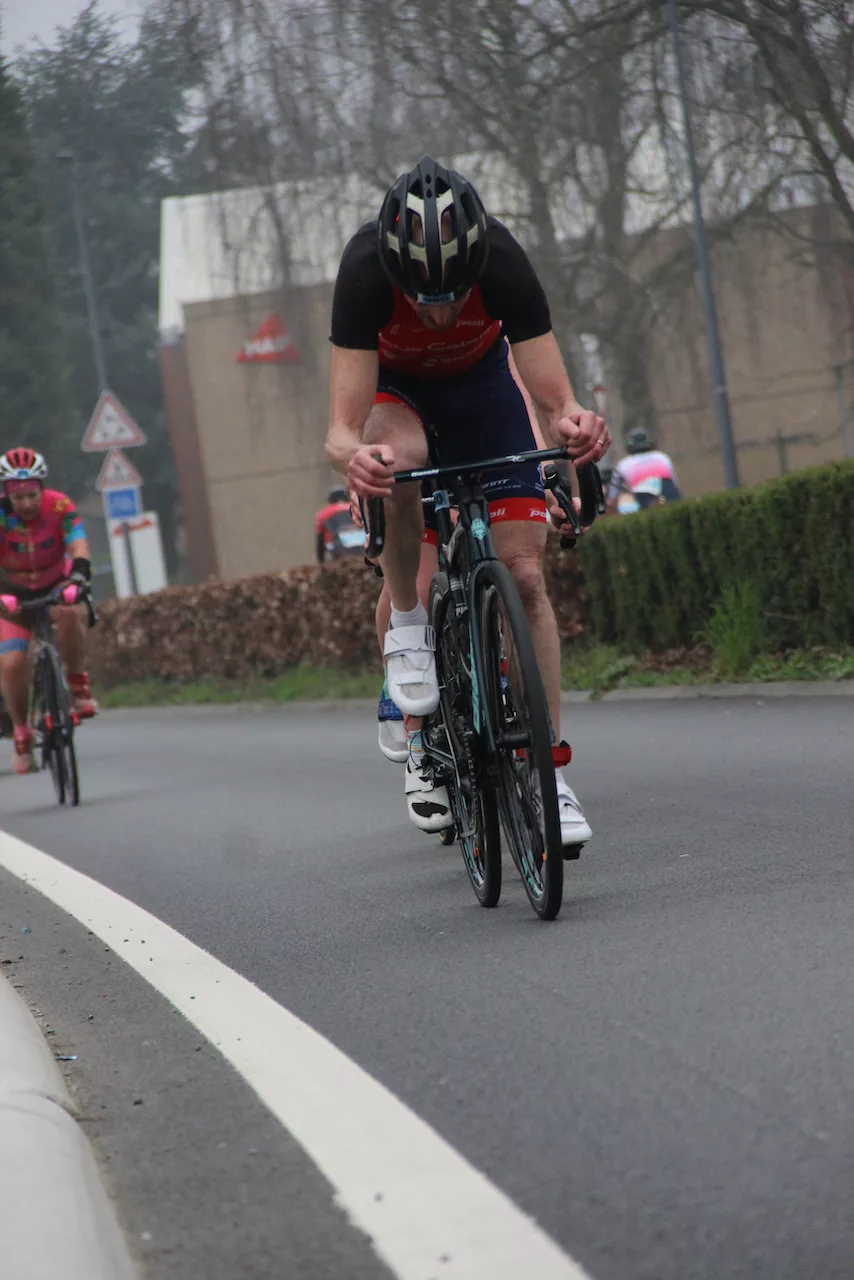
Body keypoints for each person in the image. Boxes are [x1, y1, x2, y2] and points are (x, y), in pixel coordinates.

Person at [326, 155, 610, 845]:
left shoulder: (503, 260)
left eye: (453, 295)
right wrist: (356, 458)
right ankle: (411, 656)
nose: (438, 311)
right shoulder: (364, 270)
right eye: (422, 297)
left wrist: (575, 424)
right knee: (400, 465)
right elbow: (341, 430)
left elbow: (556, 401)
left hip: (483, 393)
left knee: (526, 579)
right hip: (397, 397)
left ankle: (548, 774)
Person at [0, 448, 96, 776]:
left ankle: (77, 684)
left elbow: (78, 542)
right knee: (12, 663)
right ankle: (22, 733)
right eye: (18, 497)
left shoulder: (59, 506)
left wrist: (79, 575)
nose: (26, 503)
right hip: (11, 596)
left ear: (42, 488)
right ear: (6, 494)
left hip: (55, 584)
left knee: (70, 612)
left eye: (32, 495)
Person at [606, 427, 681, 514]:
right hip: (670, 494)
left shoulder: (623, 464)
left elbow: (613, 495)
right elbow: (675, 483)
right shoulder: (662, 457)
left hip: (645, 499)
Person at [314, 483, 367, 563]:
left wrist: (320, 562)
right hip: (364, 551)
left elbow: (320, 541)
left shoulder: (324, 513)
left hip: (339, 554)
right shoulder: (357, 507)